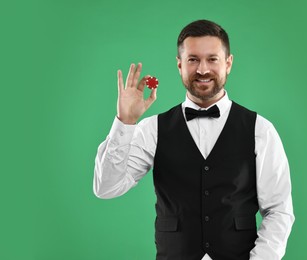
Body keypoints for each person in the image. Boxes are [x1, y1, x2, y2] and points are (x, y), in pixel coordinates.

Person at [94, 19, 294, 260]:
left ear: (228, 63)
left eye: (212, 59)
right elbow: (106, 188)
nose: (202, 69)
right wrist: (124, 123)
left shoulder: (260, 129)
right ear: (179, 65)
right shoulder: (152, 129)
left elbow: (279, 211)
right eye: (193, 59)